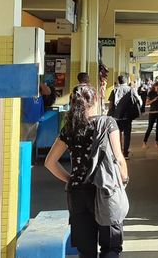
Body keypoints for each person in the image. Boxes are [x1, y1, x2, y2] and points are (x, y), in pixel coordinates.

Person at [45, 84, 128, 257]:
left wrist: (71, 179)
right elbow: (119, 158)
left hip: (78, 194)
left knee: (86, 250)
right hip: (105, 190)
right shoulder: (107, 123)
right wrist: (124, 180)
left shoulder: (69, 128)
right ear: (95, 100)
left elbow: (50, 162)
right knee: (110, 246)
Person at [108, 75, 141, 158]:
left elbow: (111, 105)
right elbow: (139, 101)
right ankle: (125, 153)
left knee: (117, 133)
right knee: (127, 134)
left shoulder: (114, 90)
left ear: (118, 81)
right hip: (127, 116)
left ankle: (118, 152)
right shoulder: (131, 90)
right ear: (126, 81)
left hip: (116, 116)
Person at [143, 80, 158, 148]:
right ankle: (144, 142)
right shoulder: (151, 93)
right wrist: (154, 99)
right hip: (152, 112)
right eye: (157, 88)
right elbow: (147, 103)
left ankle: (156, 142)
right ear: (154, 87)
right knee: (150, 127)